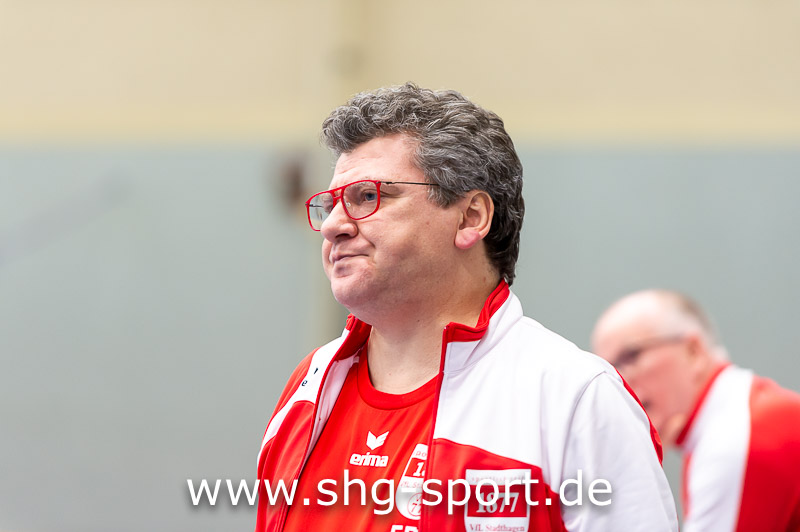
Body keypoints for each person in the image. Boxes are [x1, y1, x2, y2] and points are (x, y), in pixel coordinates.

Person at [255, 83, 678, 532]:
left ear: (471, 217)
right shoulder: (310, 387)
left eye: (368, 197)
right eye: (330, 205)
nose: (334, 226)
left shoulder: (574, 399)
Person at [592, 289, 800, 532]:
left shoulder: (731, 440)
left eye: (631, 357)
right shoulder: (736, 417)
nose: (620, 382)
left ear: (693, 351)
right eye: (610, 371)